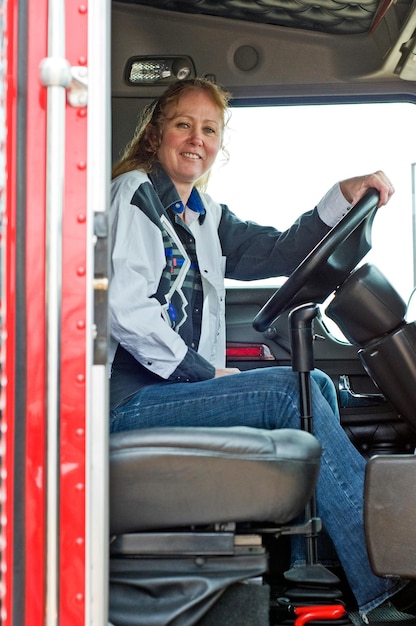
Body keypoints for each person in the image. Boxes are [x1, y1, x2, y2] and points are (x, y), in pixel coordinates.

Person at [109, 77, 416, 623]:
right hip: (129, 403)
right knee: (284, 393)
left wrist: (338, 197)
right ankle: (381, 590)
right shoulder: (136, 194)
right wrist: (207, 377)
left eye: (209, 129)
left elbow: (277, 249)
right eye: (183, 124)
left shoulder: (203, 214)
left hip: (168, 394)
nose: (196, 138)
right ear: (157, 135)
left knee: (314, 384)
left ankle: (313, 583)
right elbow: (129, 314)